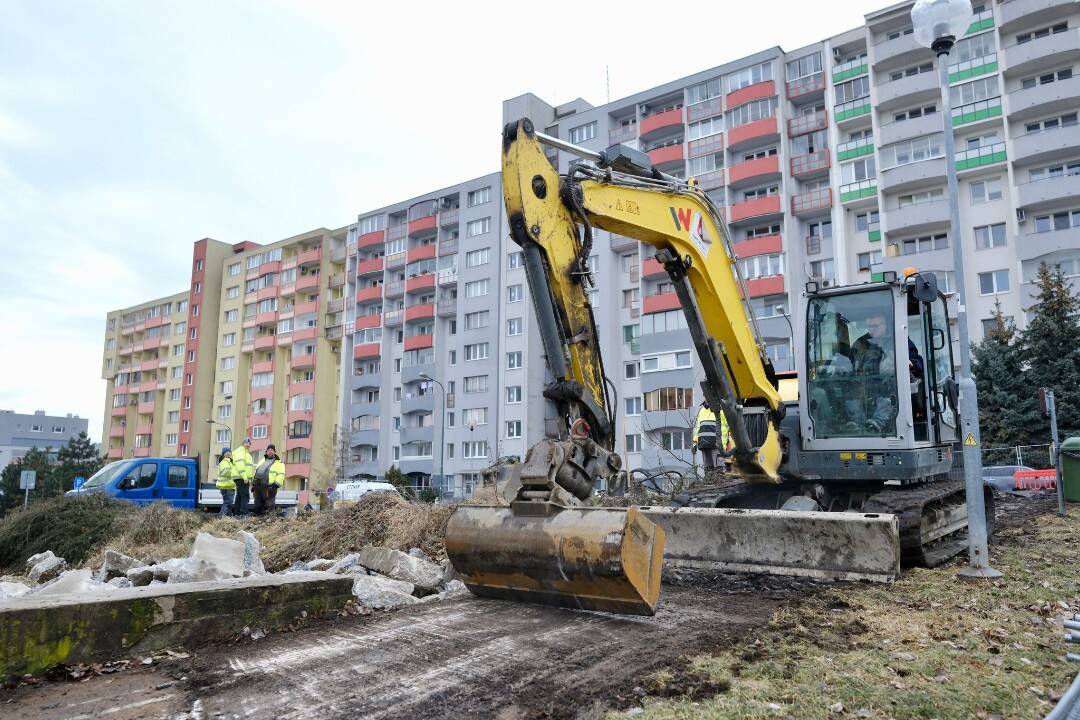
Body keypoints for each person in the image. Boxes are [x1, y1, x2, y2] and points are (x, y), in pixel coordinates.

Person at [252, 444, 286, 516]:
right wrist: (253, 484)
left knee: (269, 505)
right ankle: (257, 520)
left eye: (272, 450)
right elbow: (256, 472)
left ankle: (269, 521)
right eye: (269, 450)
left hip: (270, 487)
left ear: (275, 452)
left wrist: (276, 484)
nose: (270, 451)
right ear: (266, 452)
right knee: (257, 505)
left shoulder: (279, 463)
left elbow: (281, 474)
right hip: (258, 487)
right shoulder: (262, 461)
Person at [231, 437, 256, 516]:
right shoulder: (240, 452)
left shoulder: (245, 453)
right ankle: (243, 513)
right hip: (241, 477)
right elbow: (240, 465)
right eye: (247, 443)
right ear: (243, 443)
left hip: (240, 477)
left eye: (249, 444)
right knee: (245, 495)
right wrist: (245, 478)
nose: (248, 445)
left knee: (239, 495)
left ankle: (237, 512)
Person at [216, 448, 238, 517]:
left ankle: (227, 517)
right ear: (223, 454)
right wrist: (235, 472)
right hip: (227, 486)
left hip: (228, 486)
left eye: (229, 452)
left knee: (227, 503)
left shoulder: (229, 461)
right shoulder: (224, 462)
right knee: (228, 503)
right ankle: (223, 517)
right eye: (226, 452)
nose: (228, 453)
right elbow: (226, 472)